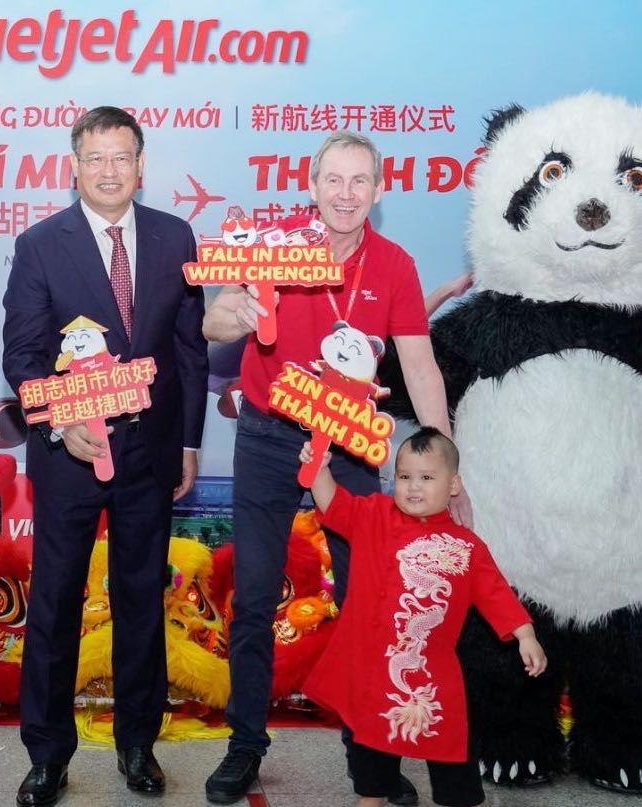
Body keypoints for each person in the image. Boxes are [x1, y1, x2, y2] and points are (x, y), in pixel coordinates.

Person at [201, 130, 465, 804]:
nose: (346, 194)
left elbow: (420, 367)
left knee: (367, 600)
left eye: (359, 181)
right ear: (312, 186)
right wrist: (237, 312)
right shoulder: (277, 245)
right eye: (334, 180)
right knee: (254, 596)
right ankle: (245, 744)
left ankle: (368, 754)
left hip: (347, 445)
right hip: (268, 435)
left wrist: (447, 462)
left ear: (378, 191)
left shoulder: (395, 265)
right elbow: (214, 324)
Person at [1, 105, 208, 807]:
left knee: (142, 599)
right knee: (56, 603)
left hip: (150, 454)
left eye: (122, 157)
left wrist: (188, 442)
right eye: (95, 158)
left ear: (141, 165)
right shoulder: (40, 245)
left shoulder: (175, 236)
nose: (109, 170)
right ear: (74, 167)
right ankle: (47, 756)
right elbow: (23, 355)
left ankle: (137, 744)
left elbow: (188, 348)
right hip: (69, 457)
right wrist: (62, 422)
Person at [301, 428, 546, 807]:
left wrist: (525, 634)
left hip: (434, 677)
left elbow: (496, 592)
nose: (414, 487)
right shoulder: (373, 515)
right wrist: (318, 468)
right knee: (371, 761)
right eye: (404, 477)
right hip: (374, 673)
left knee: (451, 749)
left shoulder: (465, 546)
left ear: (453, 485)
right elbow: (333, 503)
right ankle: (372, 798)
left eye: (427, 477)